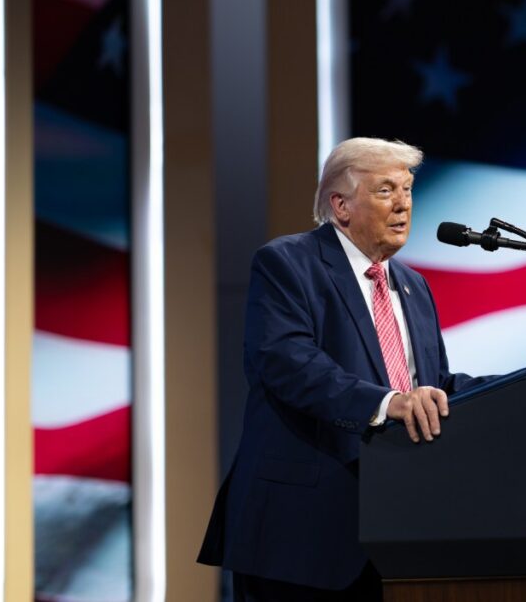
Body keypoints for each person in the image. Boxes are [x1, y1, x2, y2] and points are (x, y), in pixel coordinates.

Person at [197, 137, 486, 601]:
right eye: (385, 190)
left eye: (407, 190)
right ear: (341, 205)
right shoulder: (287, 263)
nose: (403, 204)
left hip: (396, 529)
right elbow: (288, 362)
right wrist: (387, 403)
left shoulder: (413, 285)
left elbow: (435, 386)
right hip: (301, 532)